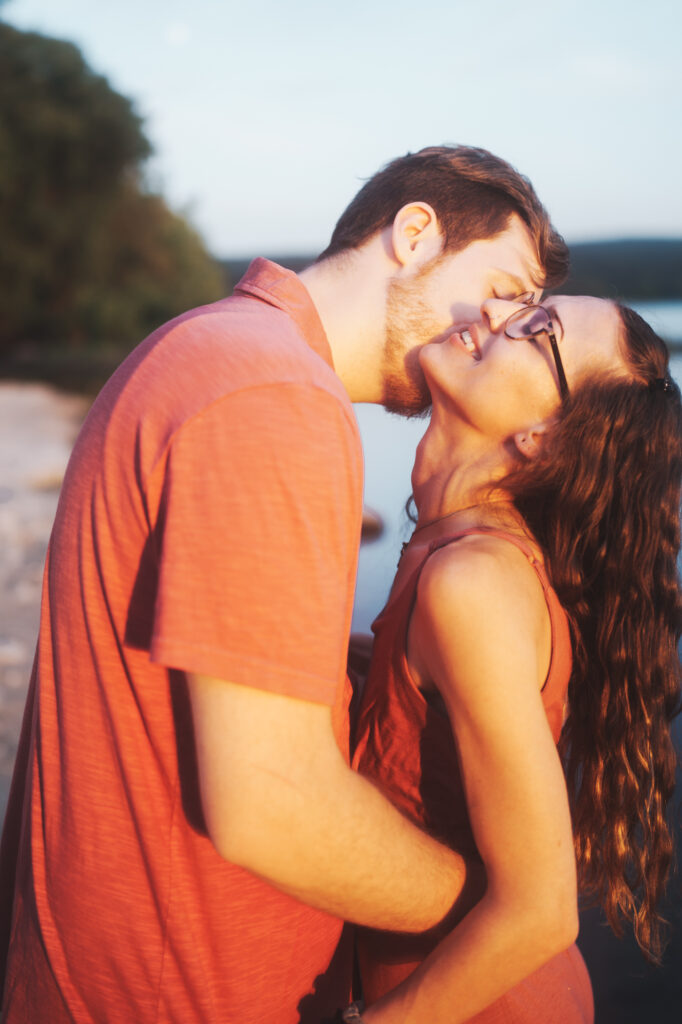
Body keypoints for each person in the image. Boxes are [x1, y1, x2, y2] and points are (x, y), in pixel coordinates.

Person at [0, 146, 568, 1022]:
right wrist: (499, 917)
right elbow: (274, 801)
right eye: (504, 289)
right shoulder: (275, 394)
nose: (496, 327)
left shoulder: (216, 348)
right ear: (414, 234)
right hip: (175, 991)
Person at [347, 296, 682, 1023]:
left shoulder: (475, 584)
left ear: (544, 440)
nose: (490, 309)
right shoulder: (456, 554)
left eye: (537, 331)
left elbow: (542, 910)